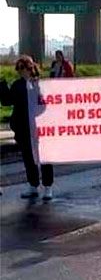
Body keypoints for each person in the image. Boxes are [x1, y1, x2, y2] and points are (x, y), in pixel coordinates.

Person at [0, 56, 54, 200]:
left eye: (21, 68)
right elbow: (7, 101)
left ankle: (47, 187)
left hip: (38, 127)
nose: (19, 72)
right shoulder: (18, 84)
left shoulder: (39, 84)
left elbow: (45, 105)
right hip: (23, 127)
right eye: (17, 69)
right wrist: (3, 87)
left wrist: (37, 114)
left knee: (43, 157)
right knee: (28, 159)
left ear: (28, 68)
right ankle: (33, 186)